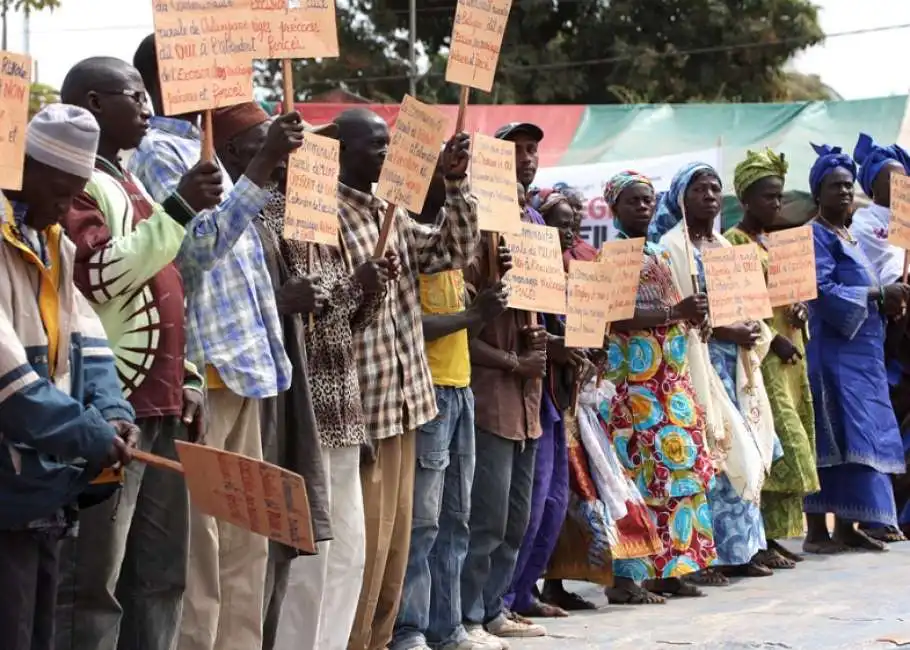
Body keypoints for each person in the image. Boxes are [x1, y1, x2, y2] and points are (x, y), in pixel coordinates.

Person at [129, 35, 303, 650]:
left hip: (244, 371)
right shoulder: (154, 153)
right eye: (216, 61)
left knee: (244, 539)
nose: (232, 73)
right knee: (199, 549)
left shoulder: (209, 153)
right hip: (203, 374)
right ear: (170, 74)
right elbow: (194, 254)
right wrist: (255, 172)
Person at [52, 56, 220, 650]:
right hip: (116, 406)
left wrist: (192, 375)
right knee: (97, 579)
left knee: (161, 571)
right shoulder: (79, 185)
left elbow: (168, 284)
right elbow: (99, 275)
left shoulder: (131, 181)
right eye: (136, 95)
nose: (149, 107)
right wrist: (178, 208)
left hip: (165, 403)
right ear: (95, 104)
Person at [332, 108, 479, 650]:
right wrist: (360, 284)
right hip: (363, 406)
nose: (387, 153)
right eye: (376, 144)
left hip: (408, 403)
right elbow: (323, 308)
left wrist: (455, 181)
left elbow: (452, 250)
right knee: (363, 547)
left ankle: (383, 637)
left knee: (400, 540)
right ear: (341, 150)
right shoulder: (323, 217)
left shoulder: (387, 213)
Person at [209, 104, 351, 650]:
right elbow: (212, 294)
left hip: (297, 392)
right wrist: (282, 298)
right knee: (246, 543)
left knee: (286, 536)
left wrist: (352, 286)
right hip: (249, 389)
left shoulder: (299, 214)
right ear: (232, 154)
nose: (294, 153)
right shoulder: (235, 211)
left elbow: (340, 306)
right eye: (271, 143)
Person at [0, 103, 137, 650]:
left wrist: (114, 412)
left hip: (43, 480)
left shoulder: (51, 238)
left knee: (37, 628)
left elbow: (87, 339)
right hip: (9, 482)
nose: (64, 207)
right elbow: (10, 382)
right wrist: (89, 432)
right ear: (23, 167)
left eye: (75, 192)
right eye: (59, 190)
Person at [393, 159, 510, 650]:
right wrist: (470, 314)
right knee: (423, 522)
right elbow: (407, 327)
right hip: (429, 392)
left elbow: (467, 328)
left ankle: (448, 626)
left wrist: (484, 307)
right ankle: (410, 629)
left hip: (459, 390)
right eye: (441, 185)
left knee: (456, 520)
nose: (448, 199)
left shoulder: (451, 259)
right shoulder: (406, 246)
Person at [590, 171, 717, 604]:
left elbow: (674, 310)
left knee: (678, 473)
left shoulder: (660, 252)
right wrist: (673, 311)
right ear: (614, 209)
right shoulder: (613, 255)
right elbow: (616, 316)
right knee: (638, 479)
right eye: (632, 202)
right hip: (632, 388)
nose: (642, 207)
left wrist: (693, 315)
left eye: (647, 200)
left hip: (668, 382)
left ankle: (670, 568)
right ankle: (626, 579)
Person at [656, 162, 778, 586]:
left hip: (736, 362)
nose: (709, 195)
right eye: (699, 189)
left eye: (714, 188)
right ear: (680, 199)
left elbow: (749, 306)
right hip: (699, 361)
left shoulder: (726, 246)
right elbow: (682, 313)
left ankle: (743, 549)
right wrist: (726, 329)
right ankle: (713, 556)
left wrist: (749, 331)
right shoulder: (671, 248)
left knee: (746, 449)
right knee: (719, 450)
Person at [461, 123, 550, 645]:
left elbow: (545, 316)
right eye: (514, 153)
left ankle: (495, 605)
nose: (527, 160)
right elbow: (460, 328)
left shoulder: (533, 228)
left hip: (530, 399)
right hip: (492, 394)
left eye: (532, 151)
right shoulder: (474, 236)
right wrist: (514, 362)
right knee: (485, 517)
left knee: (518, 515)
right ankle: (470, 613)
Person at [802, 143, 909, 553]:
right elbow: (823, 290)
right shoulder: (815, 235)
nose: (844, 193)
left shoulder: (847, 233)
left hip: (862, 353)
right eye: (835, 187)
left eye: (848, 186)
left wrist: (888, 300)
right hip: (833, 351)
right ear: (818, 193)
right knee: (831, 435)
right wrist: (878, 294)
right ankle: (817, 532)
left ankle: (847, 526)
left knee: (859, 435)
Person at [725, 150, 820, 568]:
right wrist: (773, 338)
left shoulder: (776, 241)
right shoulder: (734, 243)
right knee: (777, 448)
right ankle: (759, 539)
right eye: (768, 198)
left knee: (794, 439)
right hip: (759, 360)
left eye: (779, 198)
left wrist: (800, 311)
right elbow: (741, 306)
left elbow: (788, 296)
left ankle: (775, 536)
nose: (776, 205)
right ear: (745, 200)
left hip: (791, 359)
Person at [850, 133, 910, 542]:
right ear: (872, 186)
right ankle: (878, 513)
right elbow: (885, 276)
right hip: (886, 339)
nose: (899, 187)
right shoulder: (865, 224)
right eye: (891, 180)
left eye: (904, 179)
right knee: (886, 425)